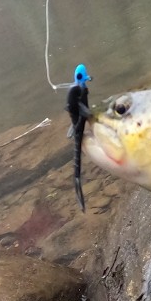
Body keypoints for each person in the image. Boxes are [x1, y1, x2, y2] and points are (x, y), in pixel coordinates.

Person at [67, 63, 92, 210]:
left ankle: (78, 182)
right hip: (78, 122)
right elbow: (80, 109)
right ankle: (77, 180)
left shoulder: (79, 88)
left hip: (79, 121)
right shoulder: (76, 90)